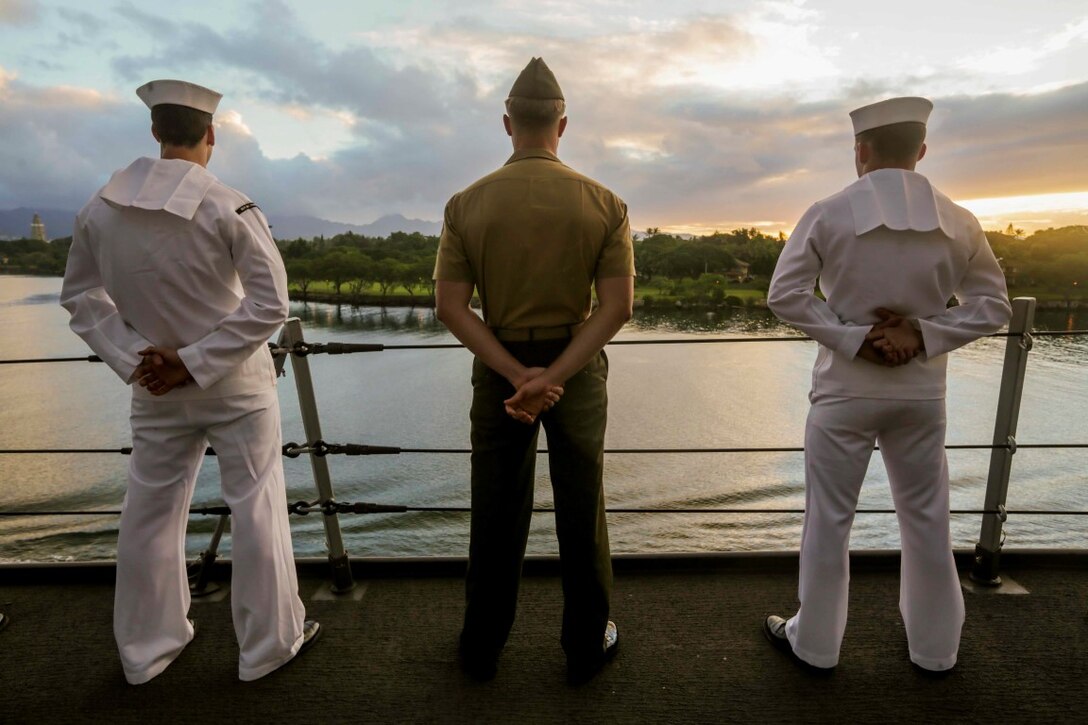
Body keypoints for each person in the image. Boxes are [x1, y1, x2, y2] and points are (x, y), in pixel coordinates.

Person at [60, 79, 319, 684]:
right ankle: (267, 648)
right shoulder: (229, 206)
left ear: (154, 132)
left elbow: (79, 297)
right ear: (211, 134)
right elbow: (271, 303)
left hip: (152, 388)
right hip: (236, 389)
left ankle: (146, 652)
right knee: (256, 508)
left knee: (149, 512)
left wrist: (136, 359)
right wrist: (198, 359)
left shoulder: (99, 210)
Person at [763, 96, 1011, 674]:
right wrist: (921, 335)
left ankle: (815, 646)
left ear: (861, 151)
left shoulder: (827, 212)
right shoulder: (960, 220)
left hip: (844, 392)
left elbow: (785, 295)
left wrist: (854, 339)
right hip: (921, 396)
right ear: (921, 151)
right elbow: (993, 305)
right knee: (927, 518)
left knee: (829, 518)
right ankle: (935, 651)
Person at [434, 57, 634, 684]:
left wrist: (519, 376)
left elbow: (449, 306)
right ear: (562, 125)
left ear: (507, 124)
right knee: (582, 506)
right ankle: (584, 645)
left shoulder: (466, 204)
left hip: (500, 369)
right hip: (575, 370)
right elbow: (618, 307)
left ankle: (482, 645)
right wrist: (555, 378)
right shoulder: (604, 203)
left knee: (495, 509)